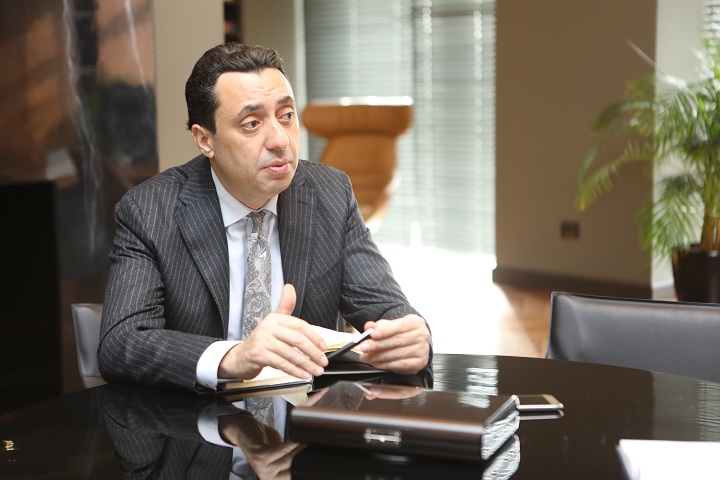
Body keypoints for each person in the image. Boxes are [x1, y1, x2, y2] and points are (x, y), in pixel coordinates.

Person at [97, 42, 431, 393]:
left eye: (286, 116)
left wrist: (410, 337)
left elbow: (387, 310)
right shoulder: (149, 210)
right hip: (195, 420)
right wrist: (234, 357)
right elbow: (121, 341)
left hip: (306, 417)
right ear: (205, 140)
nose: (280, 140)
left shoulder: (330, 193)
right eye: (252, 123)